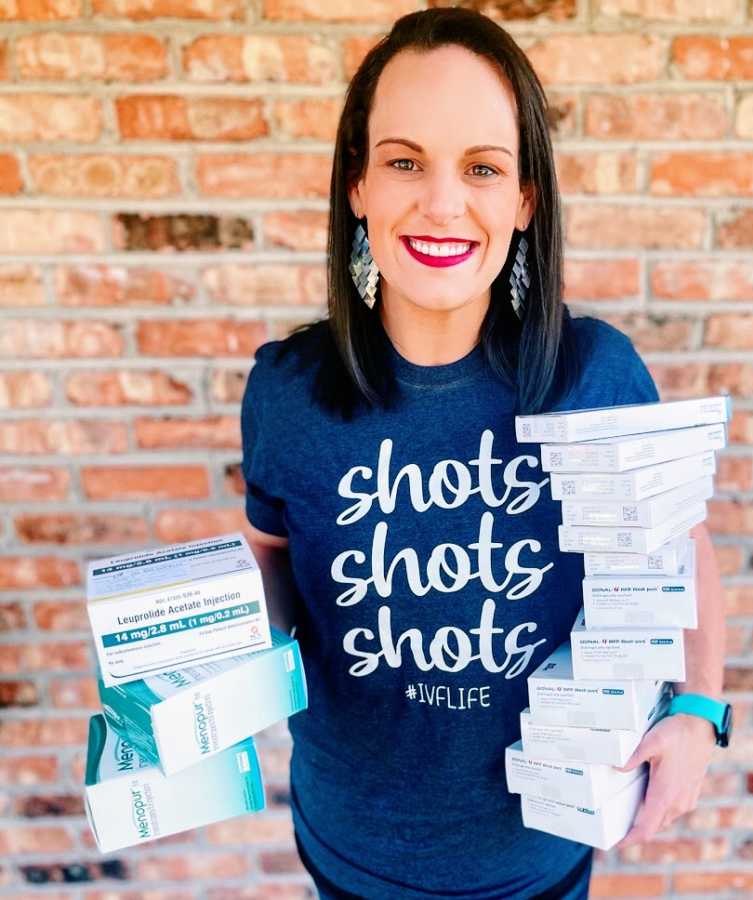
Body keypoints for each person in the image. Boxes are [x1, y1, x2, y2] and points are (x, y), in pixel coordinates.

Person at [240, 8, 726, 899]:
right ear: (358, 185)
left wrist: (698, 708)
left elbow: (679, 553)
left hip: (537, 858)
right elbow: (271, 556)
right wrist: (218, 655)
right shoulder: (287, 391)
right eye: (403, 161)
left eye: (481, 169)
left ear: (524, 199)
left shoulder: (597, 375)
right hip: (351, 852)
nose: (441, 202)